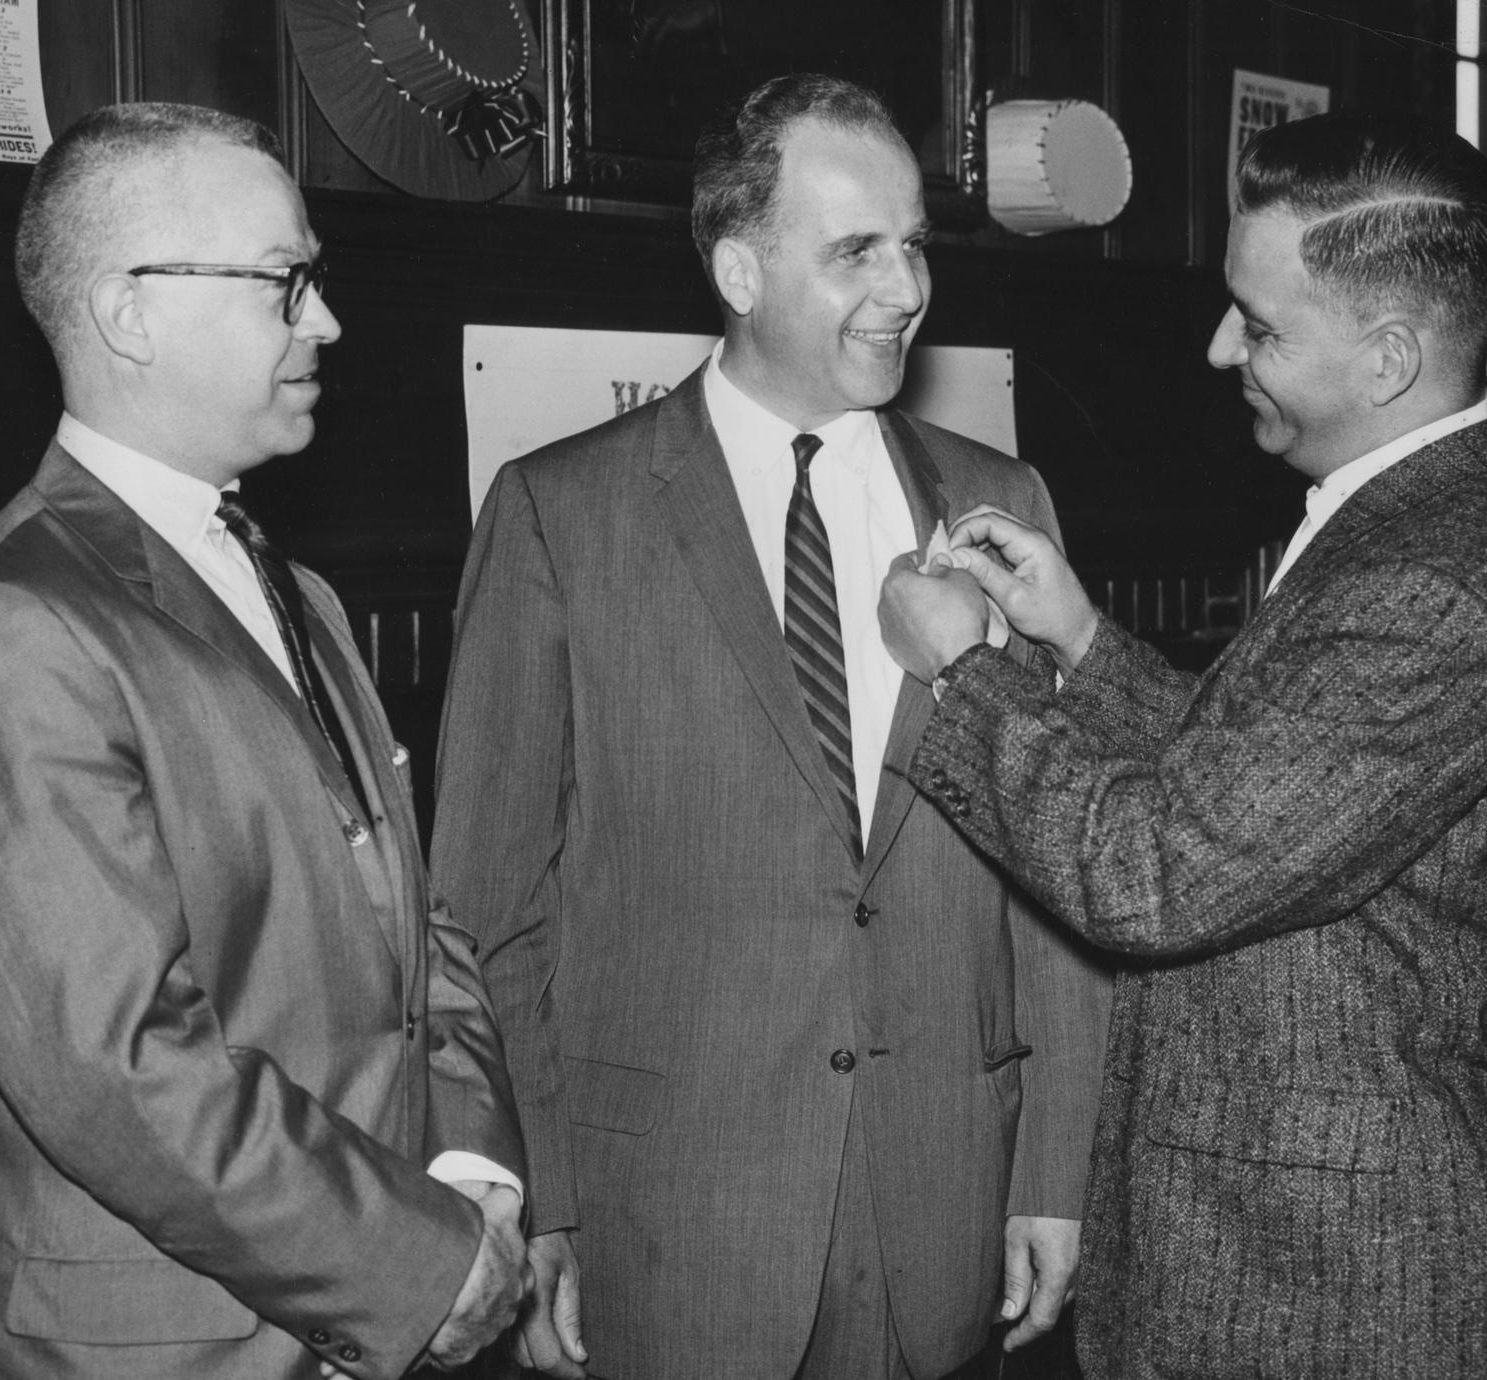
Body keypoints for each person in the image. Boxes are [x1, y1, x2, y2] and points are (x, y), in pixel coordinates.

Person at [879, 112, 1487, 1377]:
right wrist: (1083, 641)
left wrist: (967, 674)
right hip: (1315, 1265)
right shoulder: (1431, 518)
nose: (1221, 349)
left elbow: (1156, 873)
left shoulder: (1439, 583)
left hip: (1342, 1295)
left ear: (1382, 359)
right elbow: (1266, 791)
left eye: (1259, 327)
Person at [431, 73, 1110, 1380]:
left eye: (915, 244)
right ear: (739, 270)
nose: (907, 287)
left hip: (943, 1202)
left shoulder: (998, 502)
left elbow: (1059, 865)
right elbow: (488, 902)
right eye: (856, 249)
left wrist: (1055, 1167)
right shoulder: (560, 518)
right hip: (667, 1230)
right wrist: (545, 1197)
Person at [0, 103, 530, 1380]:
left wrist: (470, 1174)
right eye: (283, 282)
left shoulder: (292, 591)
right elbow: (116, 1065)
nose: (326, 321)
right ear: (131, 313)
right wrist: (414, 1260)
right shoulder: (16, 621)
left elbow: (418, 926)